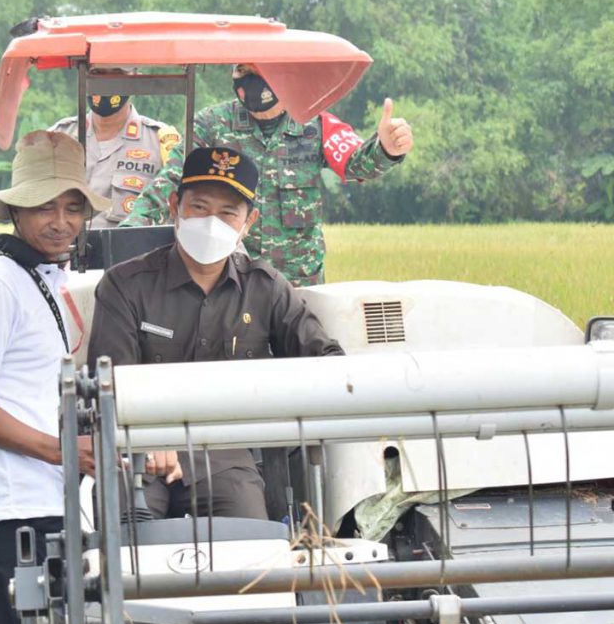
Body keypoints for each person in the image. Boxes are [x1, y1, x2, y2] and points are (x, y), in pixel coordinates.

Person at [89, 146, 345, 520]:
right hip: (139, 452)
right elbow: (108, 382)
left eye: (228, 213)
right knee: (128, 541)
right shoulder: (126, 285)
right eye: (200, 208)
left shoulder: (266, 289)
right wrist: (146, 438)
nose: (212, 223)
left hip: (227, 457)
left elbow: (329, 363)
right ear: (175, 206)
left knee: (247, 548)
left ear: (249, 222)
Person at [0, 130, 107, 624]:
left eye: (72, 209)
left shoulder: (48, 279)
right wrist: (63, 449)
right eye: (43, 208)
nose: (60, 223)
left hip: (49, 501)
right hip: (4, 510)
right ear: (16, 212)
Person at [122, 63, 414, 286]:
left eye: (259, 69)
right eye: (242, 69)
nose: (249, 79)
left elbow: (354, 161)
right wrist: (126, 233)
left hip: (299, 285)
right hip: (230, 282)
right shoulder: (211, 124)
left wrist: (386, 149)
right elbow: (170, 179)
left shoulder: (316, 124)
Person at [50, 68, 181, 228]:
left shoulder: (161, 143)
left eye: (116, 74)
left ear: (135, 78)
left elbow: (177, 212)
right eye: (98, 73)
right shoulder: (58, 137)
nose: (106, 83)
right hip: (62, 249)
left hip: (130, 250)